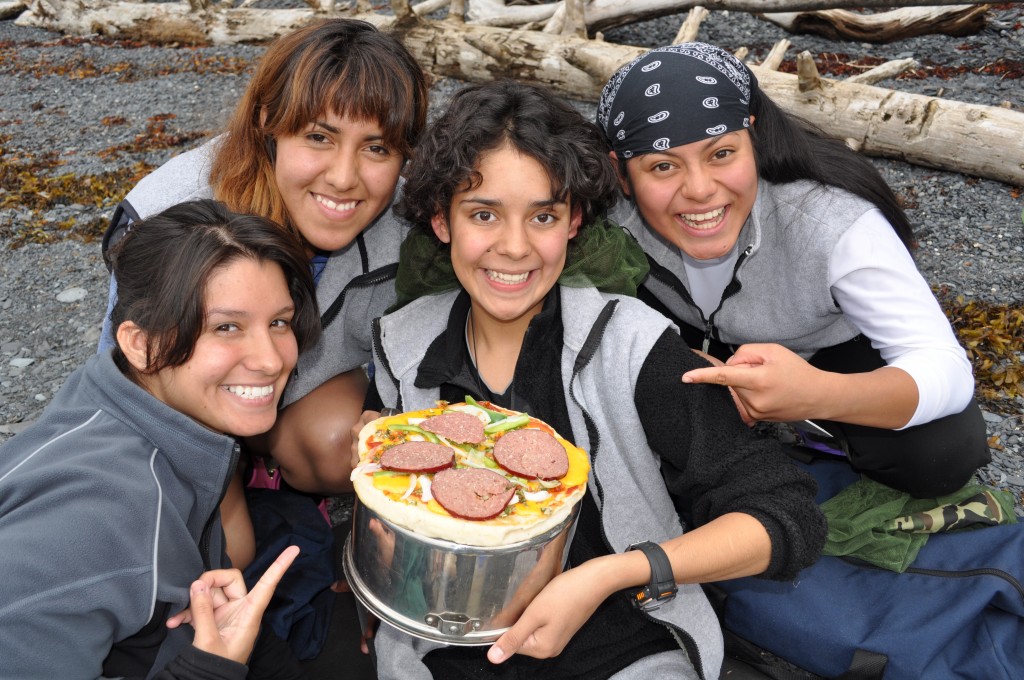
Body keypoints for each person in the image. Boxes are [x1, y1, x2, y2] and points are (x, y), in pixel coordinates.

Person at [362, 80, 826, 680]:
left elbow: (785, 518)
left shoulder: (632, 347)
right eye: (483, 214)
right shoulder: (402, 343)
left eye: (543, 216)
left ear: (575, 220)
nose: (514, 247)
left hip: (620, 652)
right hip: (441, 650)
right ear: (440, 221)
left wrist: (609, 573)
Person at [598, 42, 989, 499]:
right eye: (663, 166)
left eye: (722, 154)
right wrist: (669, 357)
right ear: (621, 175)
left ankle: (803, 427)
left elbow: (945, 367)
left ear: (754, 139)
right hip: (686, 336)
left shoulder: (835, 222)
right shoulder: (603, 215)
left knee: (940, 451)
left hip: (820, 350)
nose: (700, 190)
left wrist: (813, 394)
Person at [98, 18, 430, 497]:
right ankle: (224, 471)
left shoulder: (412, 227)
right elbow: (122, 384)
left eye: (376, 147)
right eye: (319, 137)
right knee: (222, 535)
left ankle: (268, 470)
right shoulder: (164, 214)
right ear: (268, 122)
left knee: (341, 445)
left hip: (298, 397)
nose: (343, 178)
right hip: (187, 411)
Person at [0, 199, 320, 679]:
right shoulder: (102, 515)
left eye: (278, 322)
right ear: (140, 344)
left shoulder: (116, 396)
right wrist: (205, 670)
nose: (271, 360)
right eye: (226, 327)